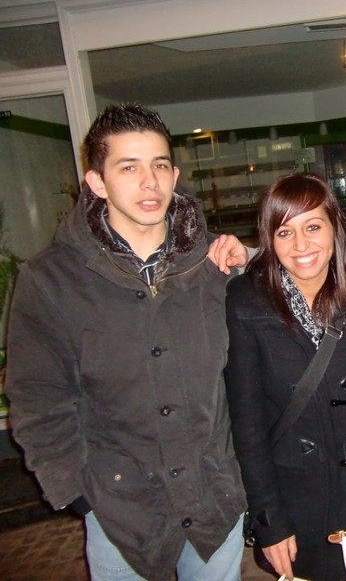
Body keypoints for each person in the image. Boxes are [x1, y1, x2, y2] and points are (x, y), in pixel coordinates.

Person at [5, 103, 248, 581]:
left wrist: (250, 257)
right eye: (128, 167)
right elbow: (38, 396)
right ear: (97, 182)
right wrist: (77, 492)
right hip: (122, 510)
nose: (149, 182)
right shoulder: (51, 280)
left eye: (159, 165)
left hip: (214, 498)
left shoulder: (213, 264)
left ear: (175, 175)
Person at [224, 173, 346, 581]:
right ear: (269, 238)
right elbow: (247, 426)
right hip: (294, 498)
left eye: (313, 227)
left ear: (334, 228)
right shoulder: (246, 301)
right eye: (285, 232)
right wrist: (268, 518)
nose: (301, 246)